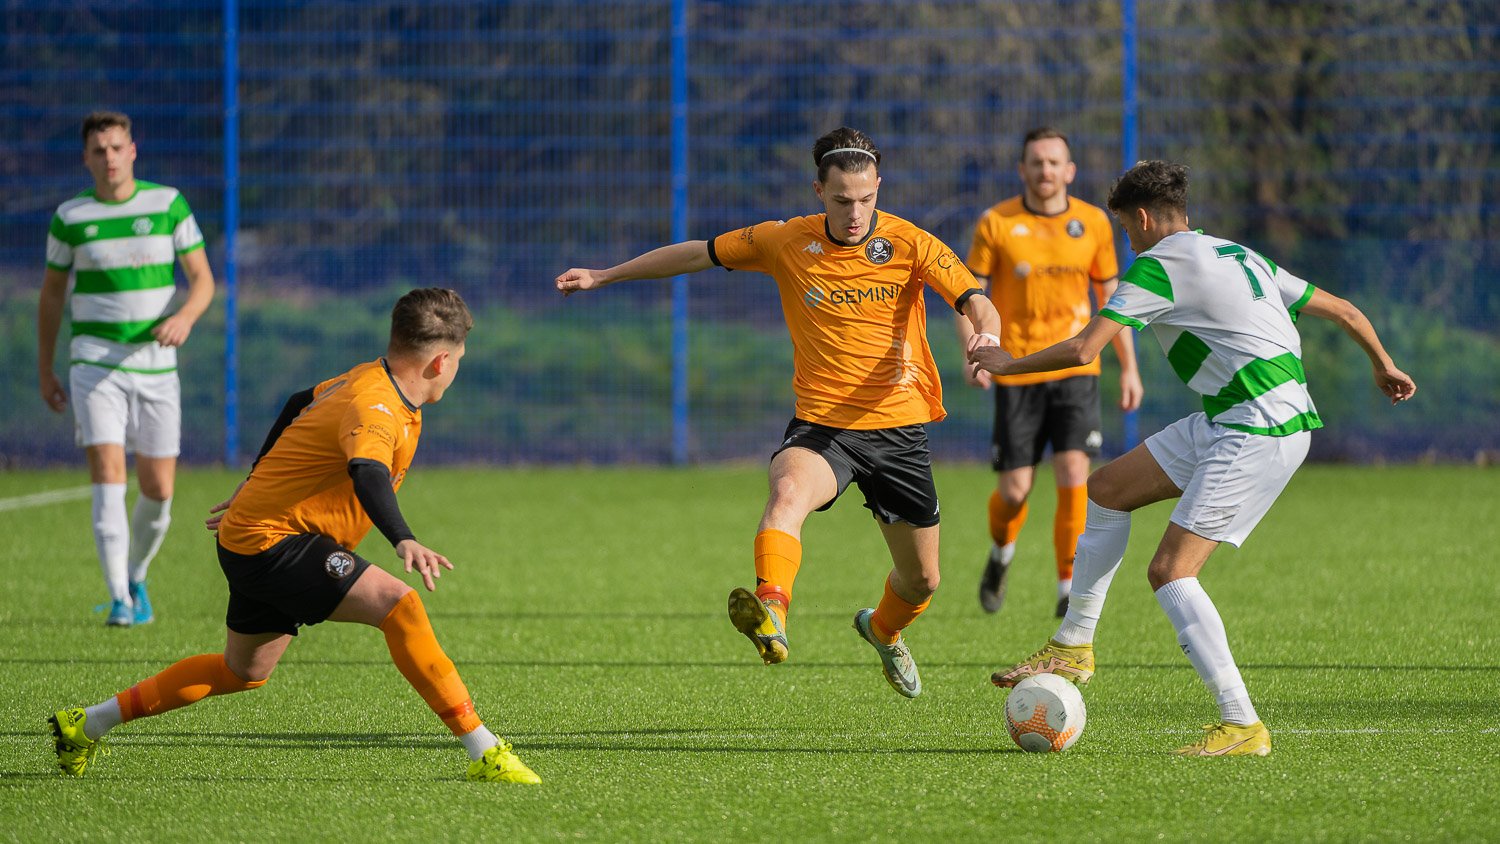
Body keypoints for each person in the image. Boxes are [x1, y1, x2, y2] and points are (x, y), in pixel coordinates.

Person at [972, 161, 1416, 756]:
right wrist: (1382, 363)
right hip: (1235, 416)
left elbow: (1084, 349)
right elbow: (1345, 310)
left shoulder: (1159, 265)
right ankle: (1074, 645)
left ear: (1145, 218)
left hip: (1260, 424)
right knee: (1105, 489)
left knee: (1171, 572)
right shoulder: (1238, 254)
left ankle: (1242, 725)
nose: (1129, 240)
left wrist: (1005, 364)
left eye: (1127, 229)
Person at [556, 127, 1002, 698]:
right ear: (818, 191)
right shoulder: (783, 240)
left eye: (867, 198)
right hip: (823, 428)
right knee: (787, 495)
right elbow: (697, 253)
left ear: (878, 188)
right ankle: (771, 612)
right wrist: (605, 275)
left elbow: (974, 298)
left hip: (899, 429)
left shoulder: (910, 242)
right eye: (842, 200)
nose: (856, 212)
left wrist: (985, 337)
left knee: (922, 581)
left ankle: (883, 630)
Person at [48, 288, 541, 784]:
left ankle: (86, 723)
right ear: (439, 362)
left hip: (255, 538)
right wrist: (403, 539)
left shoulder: (367, 378)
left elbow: (298, 401)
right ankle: (486, 752)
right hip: (273, 541)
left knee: (240, 673)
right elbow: (367, 470)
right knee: (401, 606)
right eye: (458, 359)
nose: (457, 369)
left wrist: (256, 480)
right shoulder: (377, 406)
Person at [38, 110, 217, 627]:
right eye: (99, 150)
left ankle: (136, 574)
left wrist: (184, 316)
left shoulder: (168, 204)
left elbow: (202, 279)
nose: (109, 157)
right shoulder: (70, 217)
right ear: (86, 158)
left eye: (117, 147)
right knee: (108, 477)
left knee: (159, 491)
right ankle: (118, 596)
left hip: (157, 366)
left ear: (133, 151)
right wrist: (45, 367)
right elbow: (51, 297)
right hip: (94, 364)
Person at [956, 127, 1143, 618]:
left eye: (1054, 162)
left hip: (1076, 367)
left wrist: (1129, 368)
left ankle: (1067, 586)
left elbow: (1113, 303)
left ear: (1070, 171)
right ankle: (1000, 554)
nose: (1045, 171)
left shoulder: (1094, 224)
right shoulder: (996, 222)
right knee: (1015, 491)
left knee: (1075, 475)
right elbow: (967, 298)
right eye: (1036, 162)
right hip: (1016, 369)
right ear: (1023, 170)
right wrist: (972, 353)